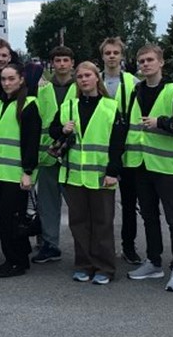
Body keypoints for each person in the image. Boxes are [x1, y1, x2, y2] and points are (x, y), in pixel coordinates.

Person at [124, 44, 173, 292]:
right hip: (141, 163)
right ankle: (153, 261)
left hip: (166, 166)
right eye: (142, 61)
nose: (145, 64)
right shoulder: (136, 90)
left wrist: (162, 122)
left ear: (161, 63)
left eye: (149, 60)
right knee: (148, 216)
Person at [52, 62, 126, 285]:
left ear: (97, 78)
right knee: (79, 223)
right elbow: (52, 130)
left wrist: (113, 172)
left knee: (103, 223)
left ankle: (105, 267)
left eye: (88, 75)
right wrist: (62, 129)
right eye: (80, 76)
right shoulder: (69, 106)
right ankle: (83, 265)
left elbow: (117, 144)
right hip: (74, 175)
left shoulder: (110, 107)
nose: (84, 80)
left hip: (101, 175)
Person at [0, 62, 41, 278]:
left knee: (12, 221)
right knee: (7, 219)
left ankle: (15, 261)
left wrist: (27, 172)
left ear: (21, 80)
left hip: (18, 175)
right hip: (0, 173)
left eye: (11, 79)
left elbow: (31, 142)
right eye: (3, 79)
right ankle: (20, 254)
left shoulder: (28, 105)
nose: (7, 83)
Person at [33, 45, 77, 264]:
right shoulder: (42, 90)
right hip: (48, 154)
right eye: (58, 60)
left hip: (73, 154)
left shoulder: (80, 87)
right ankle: (50, 245)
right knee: (48, 203)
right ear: (52, 64)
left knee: (77, 204)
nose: (61, 64)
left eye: (65, 60)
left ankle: (84, 246)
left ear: (72, 63)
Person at [100, 36, 141, 265]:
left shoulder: (132, 82)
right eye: (108, 53)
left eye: (115, 53)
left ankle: (128, 246)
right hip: (101, 150)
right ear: (102, 56)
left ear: (122, 56)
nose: (112, 57)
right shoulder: (95, 79)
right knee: (102, 206)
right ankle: (103, 248)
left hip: (128, 152)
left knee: (129, 203)